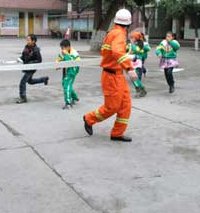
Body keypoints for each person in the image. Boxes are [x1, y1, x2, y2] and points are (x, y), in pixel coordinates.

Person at [83, 9, 138, 142]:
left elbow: (109, 52)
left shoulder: (112, 33)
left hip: (117, 75)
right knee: (112, 107)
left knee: (125, 105)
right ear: (128, 23)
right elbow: (117, 52)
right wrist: (129, 68)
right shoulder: (119, 34)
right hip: (112, 76)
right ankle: (89, 118)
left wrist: (125, 62)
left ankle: (117, 133)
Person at [16, 34, 49, 104]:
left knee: (22, 82)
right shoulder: (26, 47)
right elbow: (23, 55)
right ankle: (44, 79)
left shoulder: (36, 50)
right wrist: (20, 58)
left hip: (31, 68)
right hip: (26, 67)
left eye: (28, 40)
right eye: (26, 40)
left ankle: (23, 98)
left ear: (33, 41)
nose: (27, 41)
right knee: (30, 81)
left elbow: (39, 60)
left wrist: (30, 63)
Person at [56, 39, 80, 109]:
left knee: (67, 86)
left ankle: (68, 103)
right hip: (65, 71)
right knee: (65, 84)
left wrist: (66, 55)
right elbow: (59, 59)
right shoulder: (63, 52)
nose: (62, 50)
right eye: (61, 48)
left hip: (72, 71)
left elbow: (72, 63)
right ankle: (75, 97)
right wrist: (57, 65)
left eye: (63, 48)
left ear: (68, 47)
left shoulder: (74, 53)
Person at [127, 31, 150, 97]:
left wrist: (132, 44)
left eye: (132, 37)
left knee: (136, 77)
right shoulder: (130, 45)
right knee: (132, 78)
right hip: (131, 62)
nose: (131, 39)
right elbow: (126, 50)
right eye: (131, 37)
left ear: (136, 38)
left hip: (137, 63)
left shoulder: (140, 45)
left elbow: (137, 50)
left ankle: (141, 90)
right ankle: (140, 89)